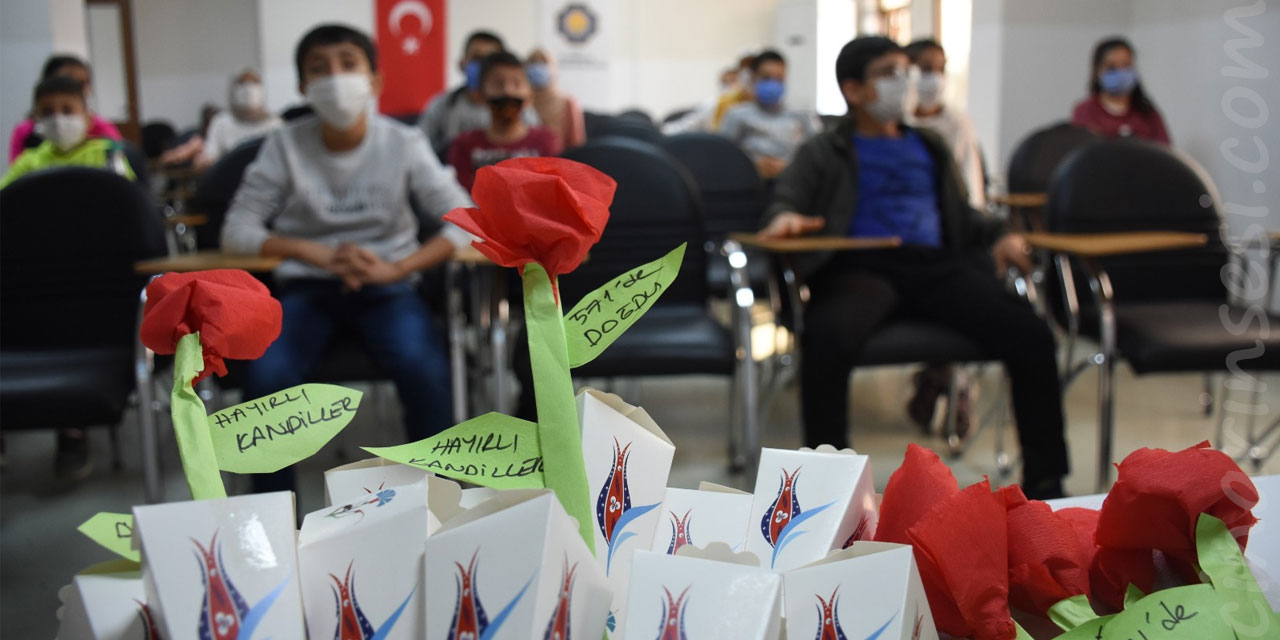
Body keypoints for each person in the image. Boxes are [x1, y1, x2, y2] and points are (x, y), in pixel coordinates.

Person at [759, 36, 1069, 499]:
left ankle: (1047, 479)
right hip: (861, 268)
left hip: (936, 266)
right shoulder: (824, 149)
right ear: (853, 89)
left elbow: (964, 215)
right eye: (889, 73)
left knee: (1032, 333)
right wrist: (784, 219)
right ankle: (830, 489)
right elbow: (784, 203)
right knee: (825, 338)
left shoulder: (930, 145)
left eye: (906, 70)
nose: (904, 81)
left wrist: (1001, 235)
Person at [220, 24, 473, 494]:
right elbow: (236, 230)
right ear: (302, 86)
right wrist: (309, 251)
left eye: (348, 64)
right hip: (306, 289)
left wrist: (398, 267)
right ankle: (275, 516)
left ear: (374, 80)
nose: (335, 78)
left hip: (389, 287)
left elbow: (464, 220)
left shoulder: (403, 143)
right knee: (267, 378)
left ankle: (438, 504)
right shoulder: (284, 144)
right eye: (319, 68)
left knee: (425, 370)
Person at [447, 52, 560, 191]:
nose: (507, 91)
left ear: (529, 94)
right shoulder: (464, 146)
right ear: (481, 94)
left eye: (517, 83)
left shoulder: (546, 142)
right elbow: (459, 195)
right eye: (498, 84)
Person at [418, 30, 538, 159]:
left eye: (490, 60)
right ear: (462, 63)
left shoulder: (519, 108)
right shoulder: (443, 105)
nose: (483, 66)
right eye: (477, 59)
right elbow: (419, 149)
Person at [2, 76, 135, 189]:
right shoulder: (28, 162)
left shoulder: (108, 154)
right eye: (47, 112)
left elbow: (128, 196)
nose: (57, 120)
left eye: (67, 110)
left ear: (88, 118)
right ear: (35, 119)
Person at [905, 39, 985, 209]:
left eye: (941, 69)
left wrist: (973, 217)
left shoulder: (958, 123)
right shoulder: (894, 123)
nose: (935, 78)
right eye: (926, 69)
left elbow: (970, 180)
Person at [717, 49, 820, 179]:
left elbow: (816, 155)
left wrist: (789, 166)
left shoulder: (802, 116)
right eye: (766, 78)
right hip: (747, 181)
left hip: (792, 181)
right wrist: (752, 166)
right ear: (754, 78)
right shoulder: (737, 115)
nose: (773, 83)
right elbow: (722, 155)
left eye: (779, 79)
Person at [8, 55, 122, 162]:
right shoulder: (26, 139)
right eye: (67, 80)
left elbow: (119, 162)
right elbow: (17, 173)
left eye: (84, 82)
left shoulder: (104, 132)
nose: (76, 87)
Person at [1071, 37, 1170, 143]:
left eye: (1126, 65)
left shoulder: (1147, 112)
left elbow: (1165, 149)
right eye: (1111, 67)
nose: (1120, 72)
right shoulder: (1086, 111)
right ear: (1097, 71)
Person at [201, 69, 282, 163]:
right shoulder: (220, 122)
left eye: (254, 84)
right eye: (243, 84)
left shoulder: (274, 123)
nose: (248, 90)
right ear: (234, 91)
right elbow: (210, 154)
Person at [525, 48, 586, 150]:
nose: (537, 67)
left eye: (543, 63)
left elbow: (576, 143)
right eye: (533, 62)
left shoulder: (567, 102)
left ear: (553, 68)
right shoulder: (521, 102)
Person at [711, 51, 757, 130]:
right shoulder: (724, 102)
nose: (747, 73)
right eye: (744, 67)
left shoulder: (770, 105)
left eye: (752, 67)